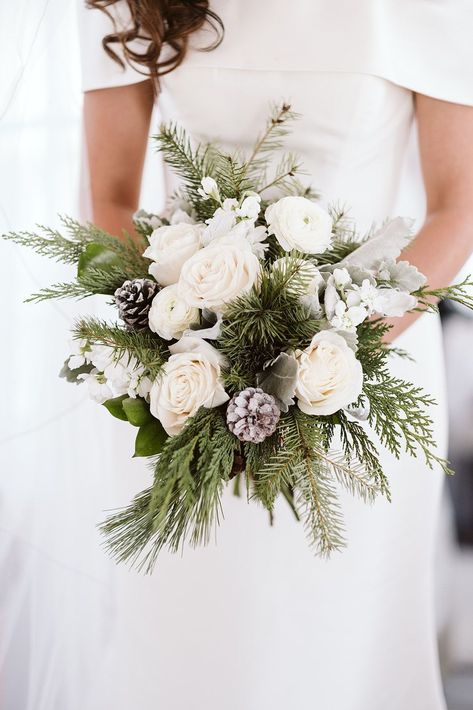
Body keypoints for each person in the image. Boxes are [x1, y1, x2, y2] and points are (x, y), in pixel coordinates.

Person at [77, 1, 473, 708]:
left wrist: (326, 353)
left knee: (338, 639)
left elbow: (458, 207)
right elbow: (108, 197)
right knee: (190, 638)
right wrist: (182, 333)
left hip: (358, 374)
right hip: (184, 381)